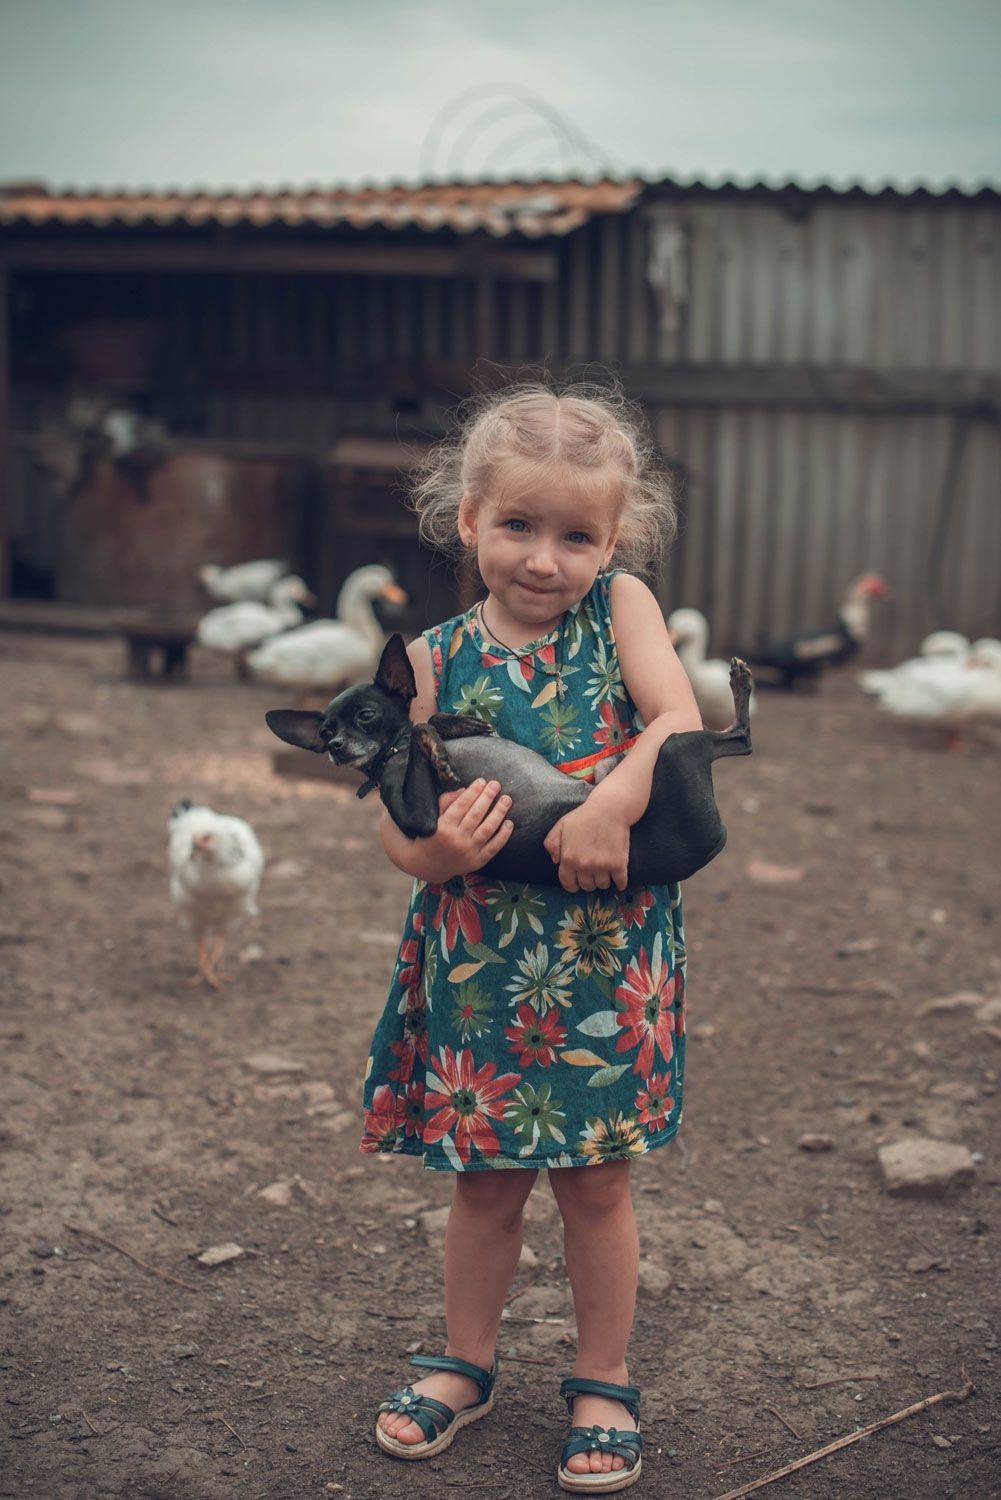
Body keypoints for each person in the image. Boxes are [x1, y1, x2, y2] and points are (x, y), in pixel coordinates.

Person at [363, 383, 702, 1493]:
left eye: (576, 537)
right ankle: (464, 1363)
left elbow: (676, 719)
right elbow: (396, 821)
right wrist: (434, 855)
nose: (544, 560)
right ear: (468, 519)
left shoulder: (623, 612)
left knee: (596, 1184)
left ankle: (602, 1379)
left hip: (607, 956)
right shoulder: (426, 660)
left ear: (613, 540)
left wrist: (609, 807)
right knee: (485, 1183)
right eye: (517, 525)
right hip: (482, 962)